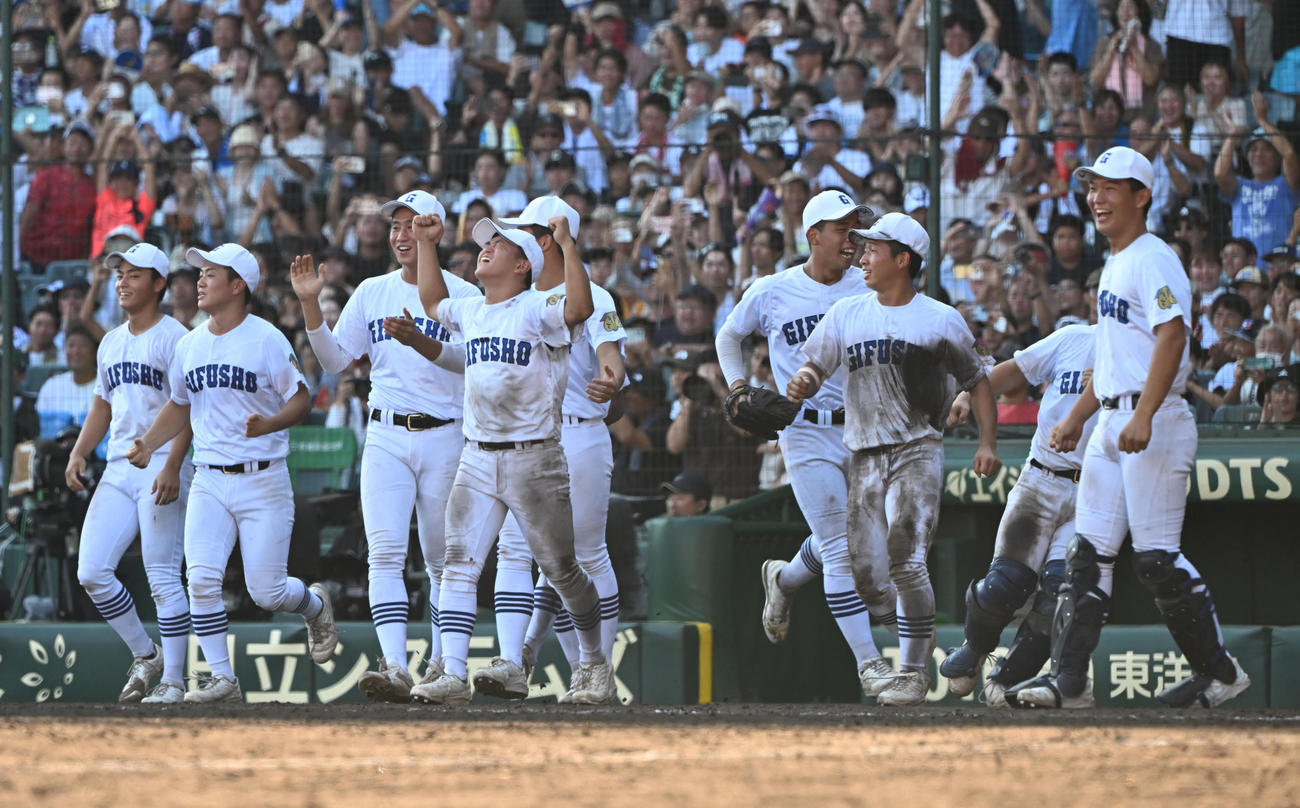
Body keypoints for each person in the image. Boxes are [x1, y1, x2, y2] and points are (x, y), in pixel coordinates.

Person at [1008, 147, 1251, 709]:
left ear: (1142, 196)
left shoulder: (1152, 256)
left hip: (1154, 419)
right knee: (1086, 556)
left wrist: (1141, 413)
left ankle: (1220, 673)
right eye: (1093, 187)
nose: (1097, 197)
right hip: (1114, 418)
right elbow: (1116, 357)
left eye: (1111, 187)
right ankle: (1069, 682)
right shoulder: (1117, 260)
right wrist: (1076, 416)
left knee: (1156, 558)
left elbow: (1173, 337)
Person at [789, 212, 1000, 706]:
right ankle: (918, 637)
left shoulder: (939, 318)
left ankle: (912, 671)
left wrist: (987, 441)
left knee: (907, 560)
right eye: (863, 248)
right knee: (865, 576)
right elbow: (814, 363)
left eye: (874, 250)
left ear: (902, 259)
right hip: (862, 454)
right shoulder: (848, 313)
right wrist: (804, 380)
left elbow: (978, 381)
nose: (862, 256)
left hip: (916, 449)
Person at [412, 211, 612, 705]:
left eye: (499, 244)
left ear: (524, 264)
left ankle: (592, 662)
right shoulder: (473, 309)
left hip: (534, 458)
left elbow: (580, 308)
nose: (486, 247)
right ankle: (453, 672)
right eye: (486, 241)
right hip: (477, 456)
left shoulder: (536, 306)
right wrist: (426, 244)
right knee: (459, 564)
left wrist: (565, 246)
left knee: (563, 570)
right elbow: (434, 299)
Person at [127, 243, 339, 704]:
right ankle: (223, 680)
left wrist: (271, 423)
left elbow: (300, 398)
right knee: (200, 578)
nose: (199, 279)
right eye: (199, 272)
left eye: (210, 273)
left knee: (267, 591)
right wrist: (149, 443)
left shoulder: (265, 338)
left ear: (238, 284)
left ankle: (315, 606)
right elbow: (180, 404)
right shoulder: (190, 343)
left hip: (263, 479)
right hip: (209, 477)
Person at [291, 190, 480, 703]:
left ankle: (443, 666)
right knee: (386, 553)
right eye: (395, 226)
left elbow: (471, 362)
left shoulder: (463, 293)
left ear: (436, 230)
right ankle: (395, 665)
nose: (401, 235)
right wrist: (311, 304)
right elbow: (333, 361)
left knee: (443, 560)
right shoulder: (373, 291)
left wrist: (421, 339)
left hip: (447, 433)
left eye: (412, 225)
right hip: (386, 433)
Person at [718, 190, 899, 699]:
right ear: (812, 235)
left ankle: (787, 578)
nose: (852, 238)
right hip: (803, 429)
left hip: (864, 428)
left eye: (856, 228)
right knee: (844, 550)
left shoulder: (868, 288)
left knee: (865, 542)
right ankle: (871, 666)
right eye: (842, 228)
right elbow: (729, 337)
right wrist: (736, 387)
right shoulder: (774, 290)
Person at [481, 196, 628, 703]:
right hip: (523, 437)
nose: (509, 241)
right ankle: (519, 661)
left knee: (583, 555)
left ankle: (595, 669)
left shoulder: (596, 297)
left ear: (544, 241)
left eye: (522, 233)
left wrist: (612, 381)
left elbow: (612, 360)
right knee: (518, 552)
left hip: (580, 431)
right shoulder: (509, 301)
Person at [939, 321, 1098, 707]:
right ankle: (975, 648)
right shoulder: (1076, 338)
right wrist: (967, 394)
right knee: (1005, 583)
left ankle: (1008, 676)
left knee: (1060, 591)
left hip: (1096, 490)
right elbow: (1013, 371)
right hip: (1042, 476)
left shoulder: (1145, 352)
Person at [64, 243, 193, 704]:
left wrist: (175, 463)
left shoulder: (176, 337)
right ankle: (146, 653)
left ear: (159, 283)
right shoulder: (111, 341)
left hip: (160, 461)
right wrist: (80, 451)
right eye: (119, 274)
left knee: (162, 576)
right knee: (92, 570)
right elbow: (102, 403)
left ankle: (175, 681)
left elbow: (188, 406)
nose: (122, 281)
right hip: (119, 464)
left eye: (134, 274)